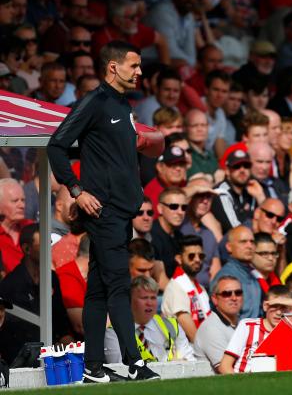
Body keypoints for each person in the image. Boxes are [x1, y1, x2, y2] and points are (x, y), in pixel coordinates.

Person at [46, 41, 160, 382]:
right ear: (113, 67)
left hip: (121, 211)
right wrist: (77, 191)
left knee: (96, 290)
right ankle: (135, 363)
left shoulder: (122, 104)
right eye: (134, 65)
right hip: (104, 212)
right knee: (118, 286)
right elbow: (57, 145)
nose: (140, 72)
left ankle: (93, 368)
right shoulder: (94, 103)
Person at [104, 276, 195, 363]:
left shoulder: (172, 325)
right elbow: (120, 370)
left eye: (153, 298)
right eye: (144, 298)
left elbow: (191, 363)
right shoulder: (114, 332)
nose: (149, 303)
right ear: (129, 300)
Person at [219, 285, 292, 374]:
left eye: (284, 307)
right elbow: (224, 366)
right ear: (265, 306)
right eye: (275, 306)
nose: (279, 312)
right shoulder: (248, 326)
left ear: (290, 309)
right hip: (243, 381)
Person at [162, 235, 211, 342]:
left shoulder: (200, 288)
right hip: (185, 353)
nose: (197, 260)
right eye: (191, 256)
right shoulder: (176, 287)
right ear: (179, 259)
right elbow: (193, 335)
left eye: (201, 256)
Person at [194, 275, 243, 371]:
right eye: (226, 294)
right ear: (215, 299)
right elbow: (226, 370)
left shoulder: (241, 324)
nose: (234, 298)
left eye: (238, 293)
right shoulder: (211, 328)